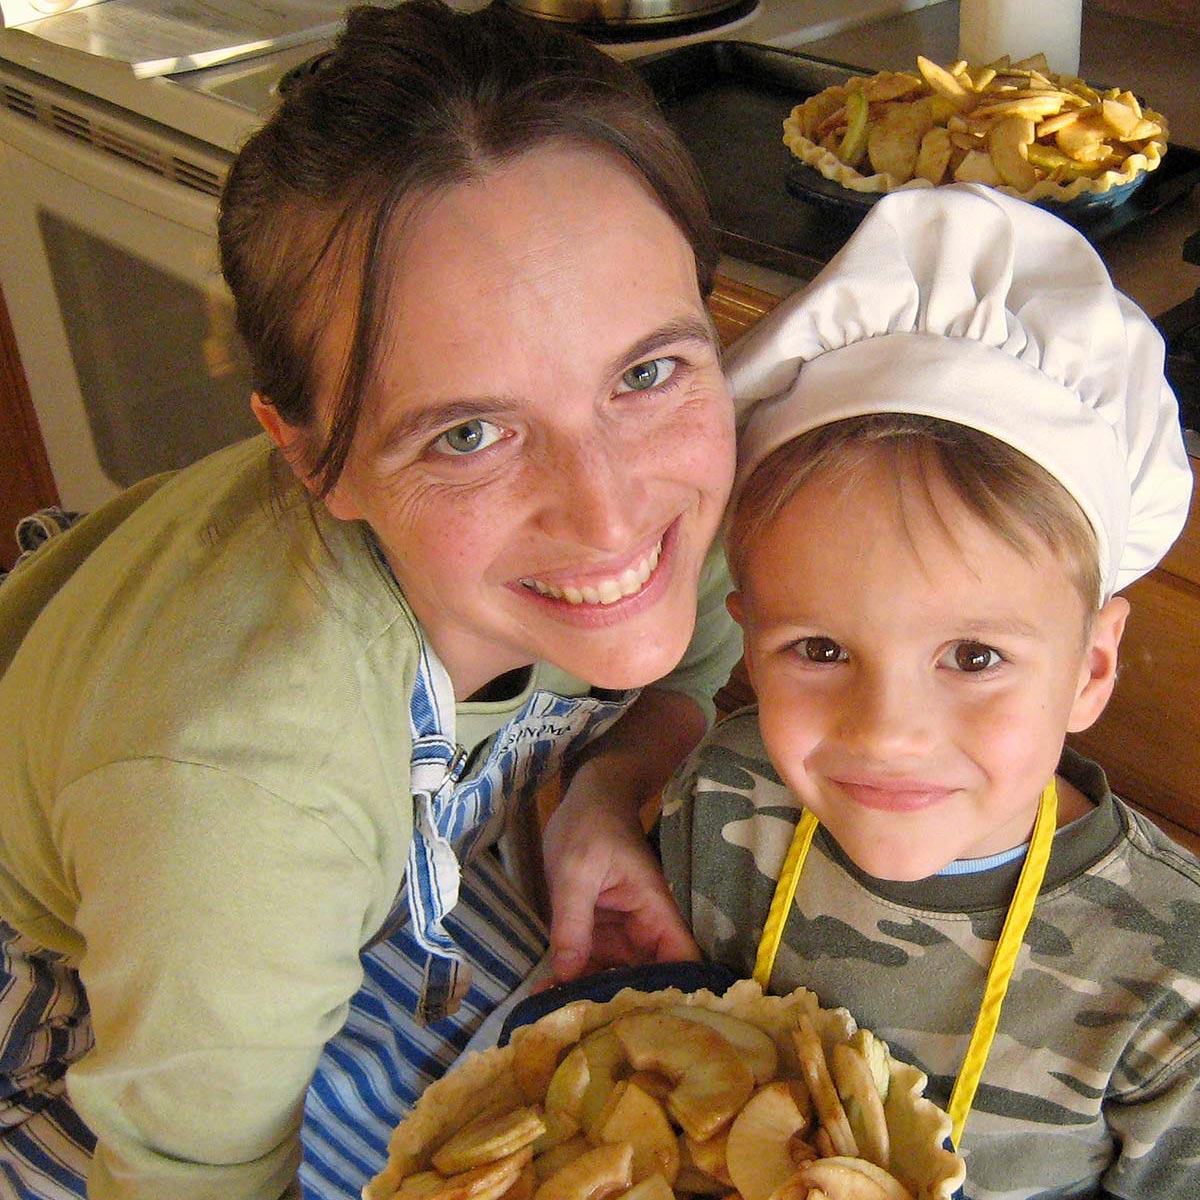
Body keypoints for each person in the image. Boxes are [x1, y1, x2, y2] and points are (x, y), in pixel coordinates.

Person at [0, 2, 743, 1196]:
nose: (609, 516)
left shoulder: (662, 512)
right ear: (311, 457)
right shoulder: (245, 810)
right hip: (82, 980)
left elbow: (692, 663)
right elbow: (186, 1173)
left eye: (647, 371)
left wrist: (600, 793)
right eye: (468, 434)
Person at [660, 183, 1200, 1197]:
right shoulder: (721, 802)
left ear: (1090, 666)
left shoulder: (1171, 982)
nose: (889, 732)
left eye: (975, 657)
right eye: (818, 649)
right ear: (748, 639)